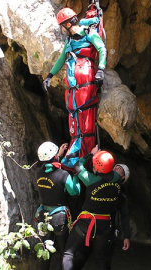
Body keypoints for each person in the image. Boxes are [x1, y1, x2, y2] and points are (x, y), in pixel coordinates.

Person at [42, 7, 107, 170]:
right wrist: (49, 75)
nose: (62, 29)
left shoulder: (89, 34)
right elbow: (61, 58)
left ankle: (83, 155)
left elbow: (101, 49)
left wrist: (101, 69)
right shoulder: (69, 41)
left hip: (86, 87)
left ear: (67, 24)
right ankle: (76, 153)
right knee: (75, 119)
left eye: (62, 26)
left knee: (85, 120)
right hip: (74, 89)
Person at [62, 145, 122, 270]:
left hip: (87, 222)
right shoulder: (118, 180)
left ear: (98, 167)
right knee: (101, 259)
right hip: (104, 224)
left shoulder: (92, 180)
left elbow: (77, 167)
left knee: (69, 253)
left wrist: (91, 153)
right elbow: (111, 173)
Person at [72, 164, 131, 269]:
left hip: (106, 229)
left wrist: (127, 236)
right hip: (90, 225)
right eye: (115, 167)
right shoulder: (100, 181)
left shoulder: (121, 195)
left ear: (123, 177)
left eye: (120, 169)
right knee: (80, 256)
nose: (116, 169)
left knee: (103, 261)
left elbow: (124, 216)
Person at [35, 141, 81, 270]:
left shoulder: (38, 172)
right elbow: (75, 192)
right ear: (54, 156)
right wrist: (76, 176)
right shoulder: (64, 174)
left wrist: (58, 156)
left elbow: (50, 168)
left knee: (45, 251)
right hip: (58, 218)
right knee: (65, 252)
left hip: (42, 217)